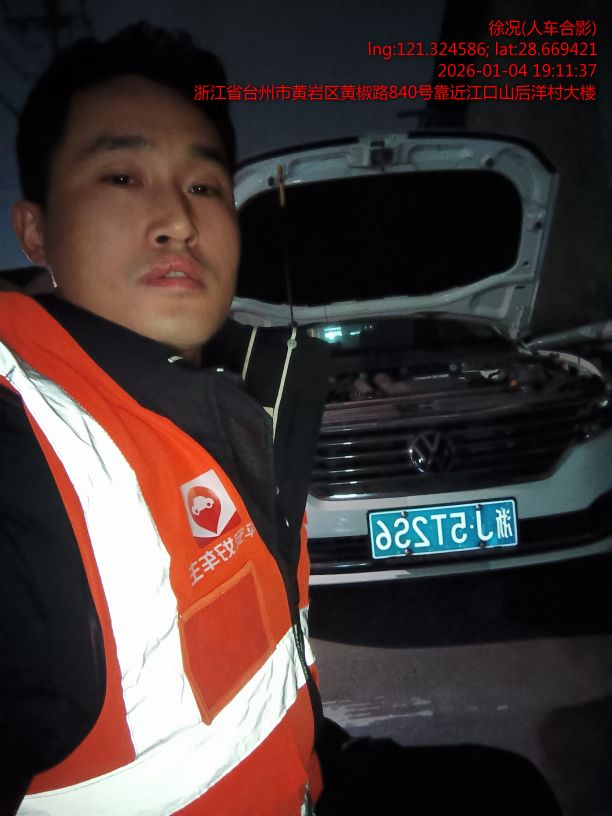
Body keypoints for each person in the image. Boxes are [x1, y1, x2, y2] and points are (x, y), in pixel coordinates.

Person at [0, 22, 330, 816]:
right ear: (35, 231)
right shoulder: (24, 456)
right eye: (121, 176)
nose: (179, 220)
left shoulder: (235, 402)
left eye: (205, 187)